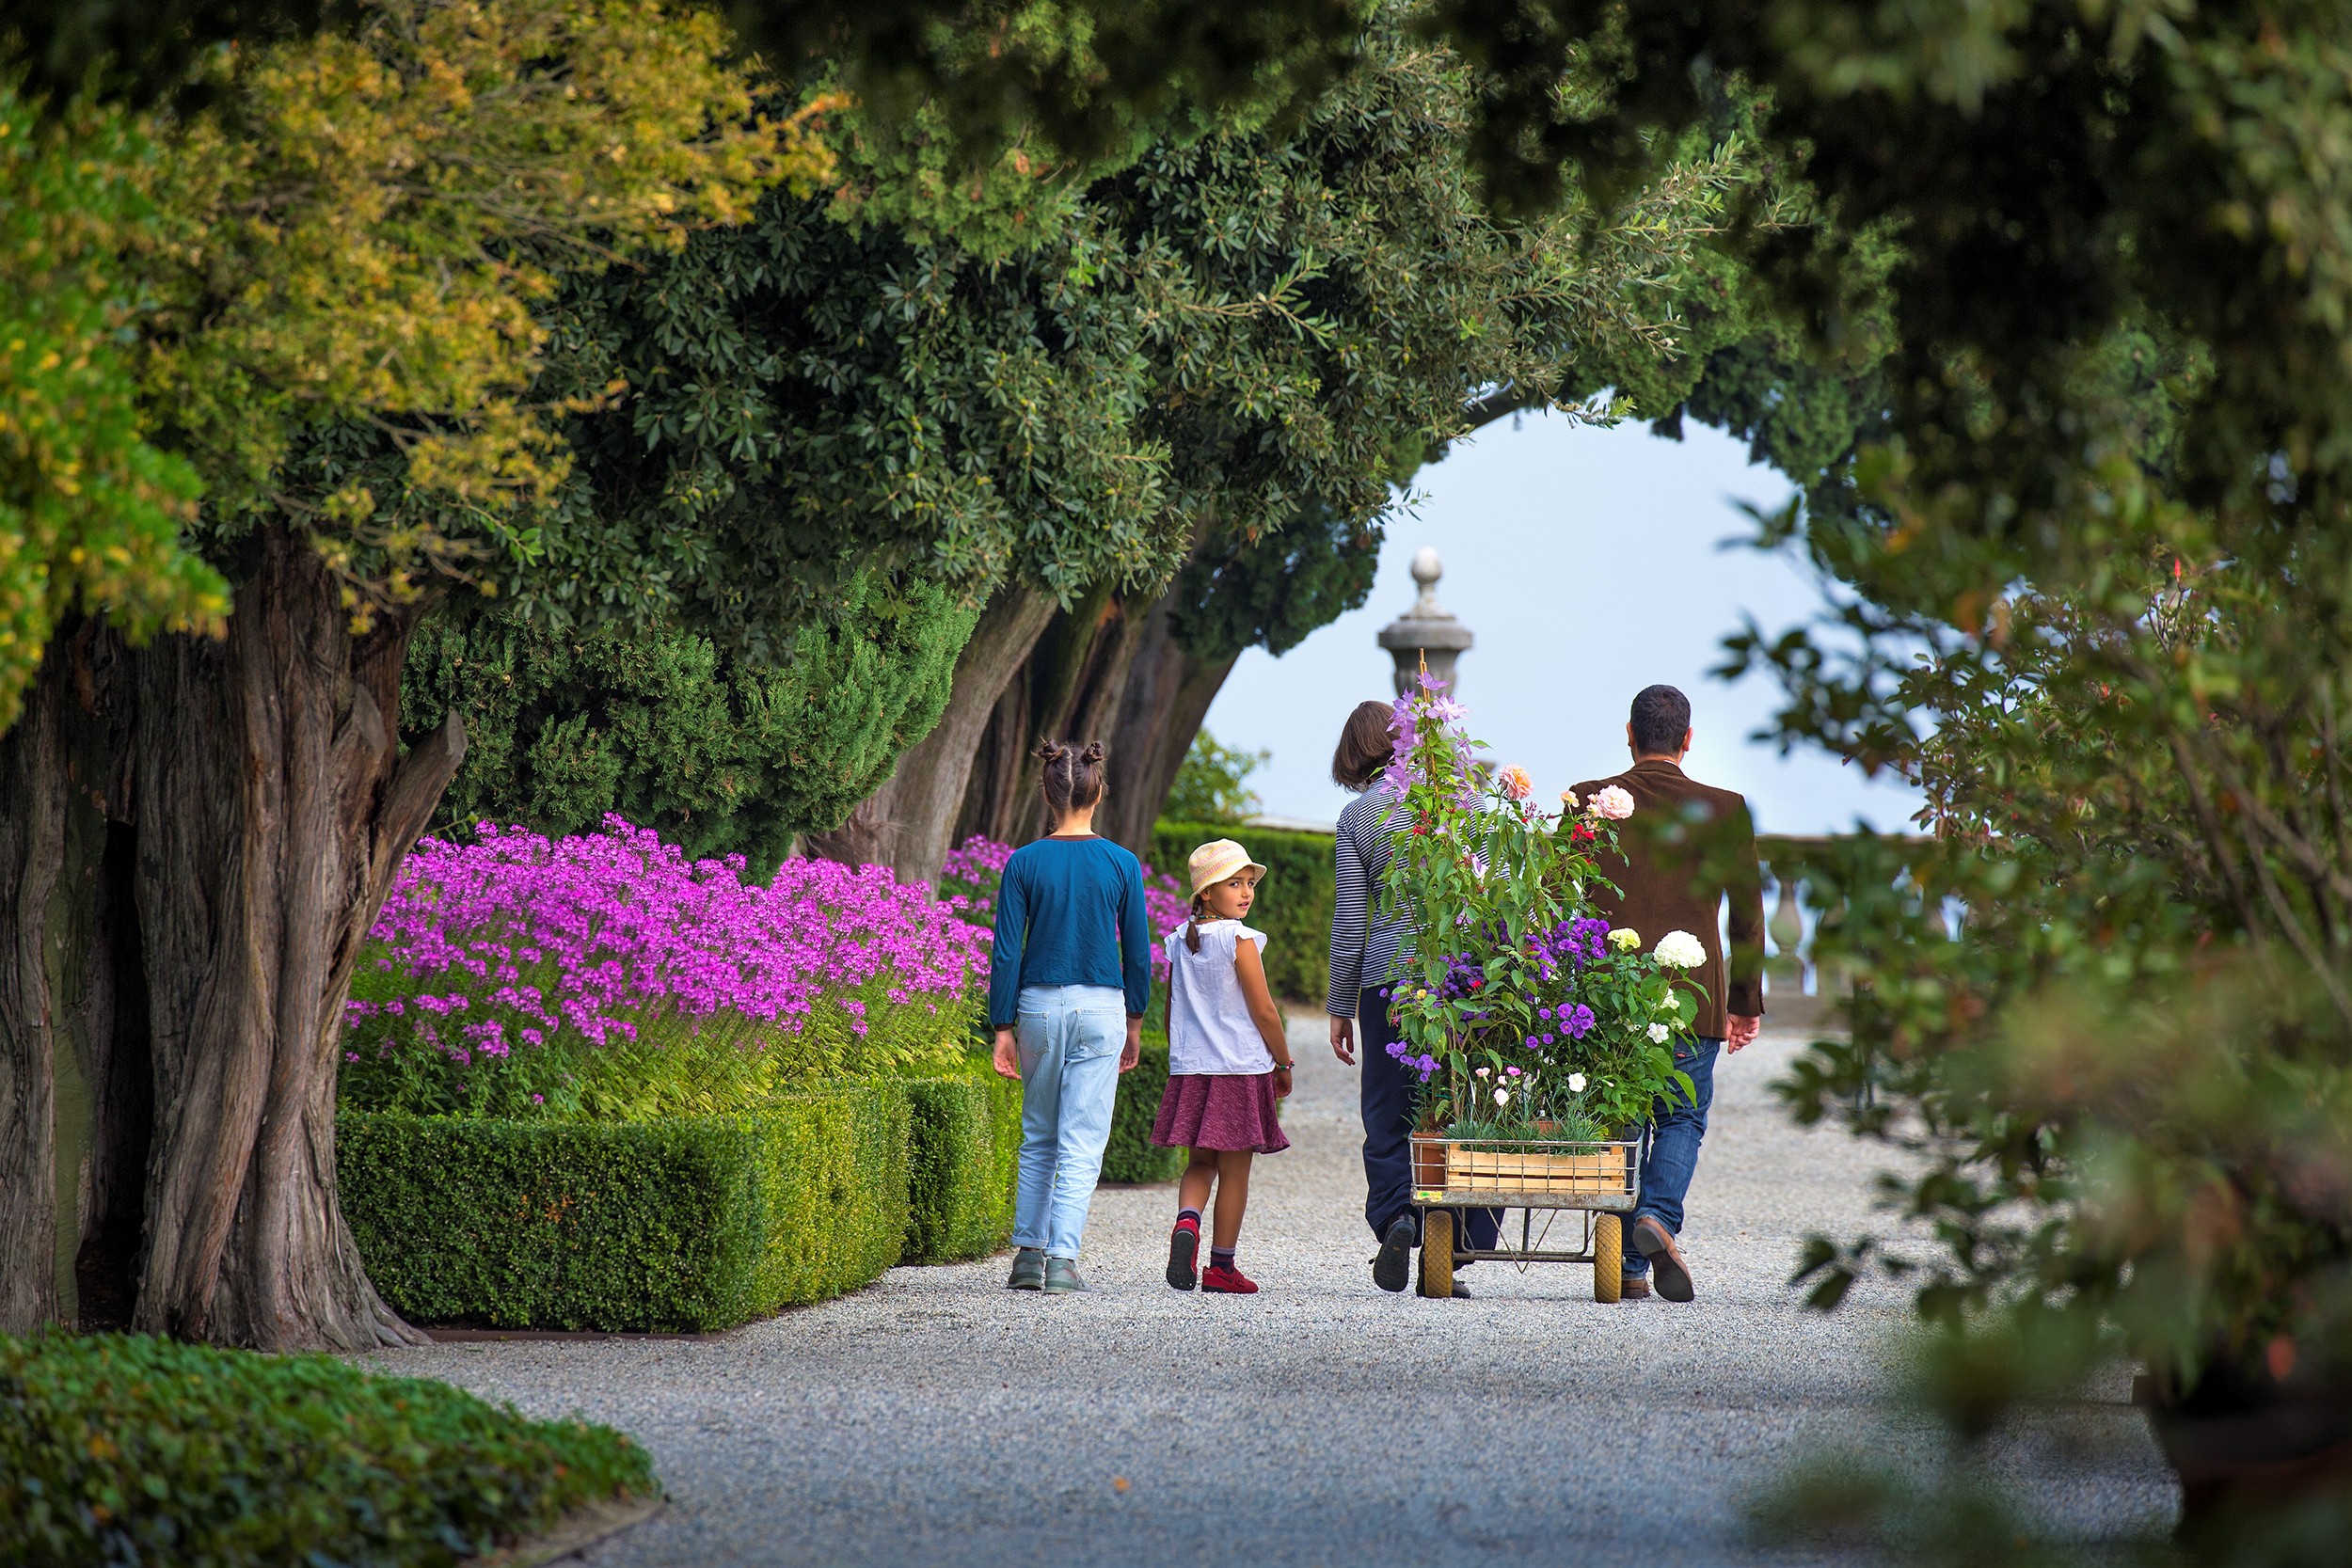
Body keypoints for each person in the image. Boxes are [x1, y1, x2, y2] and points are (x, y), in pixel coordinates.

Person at [1572, 684, 1765, 1303]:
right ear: (1687, 740)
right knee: (1681, 1116)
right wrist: (1743, 1001)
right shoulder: (1726, 808)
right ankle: (1656, 1220)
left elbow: (1557, 904)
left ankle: (1630, 1260)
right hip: (1695, 996)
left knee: (1622, 1119)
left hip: (1607, 997)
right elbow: (1748, 918)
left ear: (1629, 733)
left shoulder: (1585, 802)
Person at [1324, 700, 1500, 1297]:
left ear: (1354, 750)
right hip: (1458, 980)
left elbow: (1352, 920)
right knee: (1461, 1105)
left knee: (1388, 1110)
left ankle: (1398, 1216)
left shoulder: (1359, 817)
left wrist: (1340, 1004)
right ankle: (1456, 1243)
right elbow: (1490, 888)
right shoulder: (1461, 803)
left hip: (1386, 982)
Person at [988, 739, 1152, 1295]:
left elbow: (1007, 951)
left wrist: (1002, 1027)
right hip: (1102, 1007)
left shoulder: (1023, 862)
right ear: (1098, 792)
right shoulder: (1122, 863)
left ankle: (1027, 1258)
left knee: (1038, 1136)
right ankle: (1063, 1261)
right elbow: (1136, 949)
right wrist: (1135, 1021)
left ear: (1046, 792)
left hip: (1036, 1004)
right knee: (1082, 1140)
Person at [1151, 840, 1295, 1295]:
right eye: (1234, 883)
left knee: (1199, 1162)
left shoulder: (1179, 941)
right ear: (1206, 894)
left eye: (1249, 883)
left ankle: (1186, 1225)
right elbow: (1265, 1011)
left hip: (1192, 1068)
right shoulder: (1240, 939)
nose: (1246, 892)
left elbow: (1173, 1009)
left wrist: (1181, 1060)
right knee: (1235, 1170)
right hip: (1239, 1068)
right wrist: (1283, 1061)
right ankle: (1221, 1268)